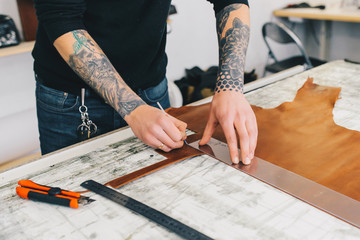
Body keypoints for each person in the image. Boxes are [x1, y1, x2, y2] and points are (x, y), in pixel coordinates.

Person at [32, 0, 258, 165]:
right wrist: (132, 108)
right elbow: (61, 17)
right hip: (72, 102)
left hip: (150, 89)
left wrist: (231, 86)